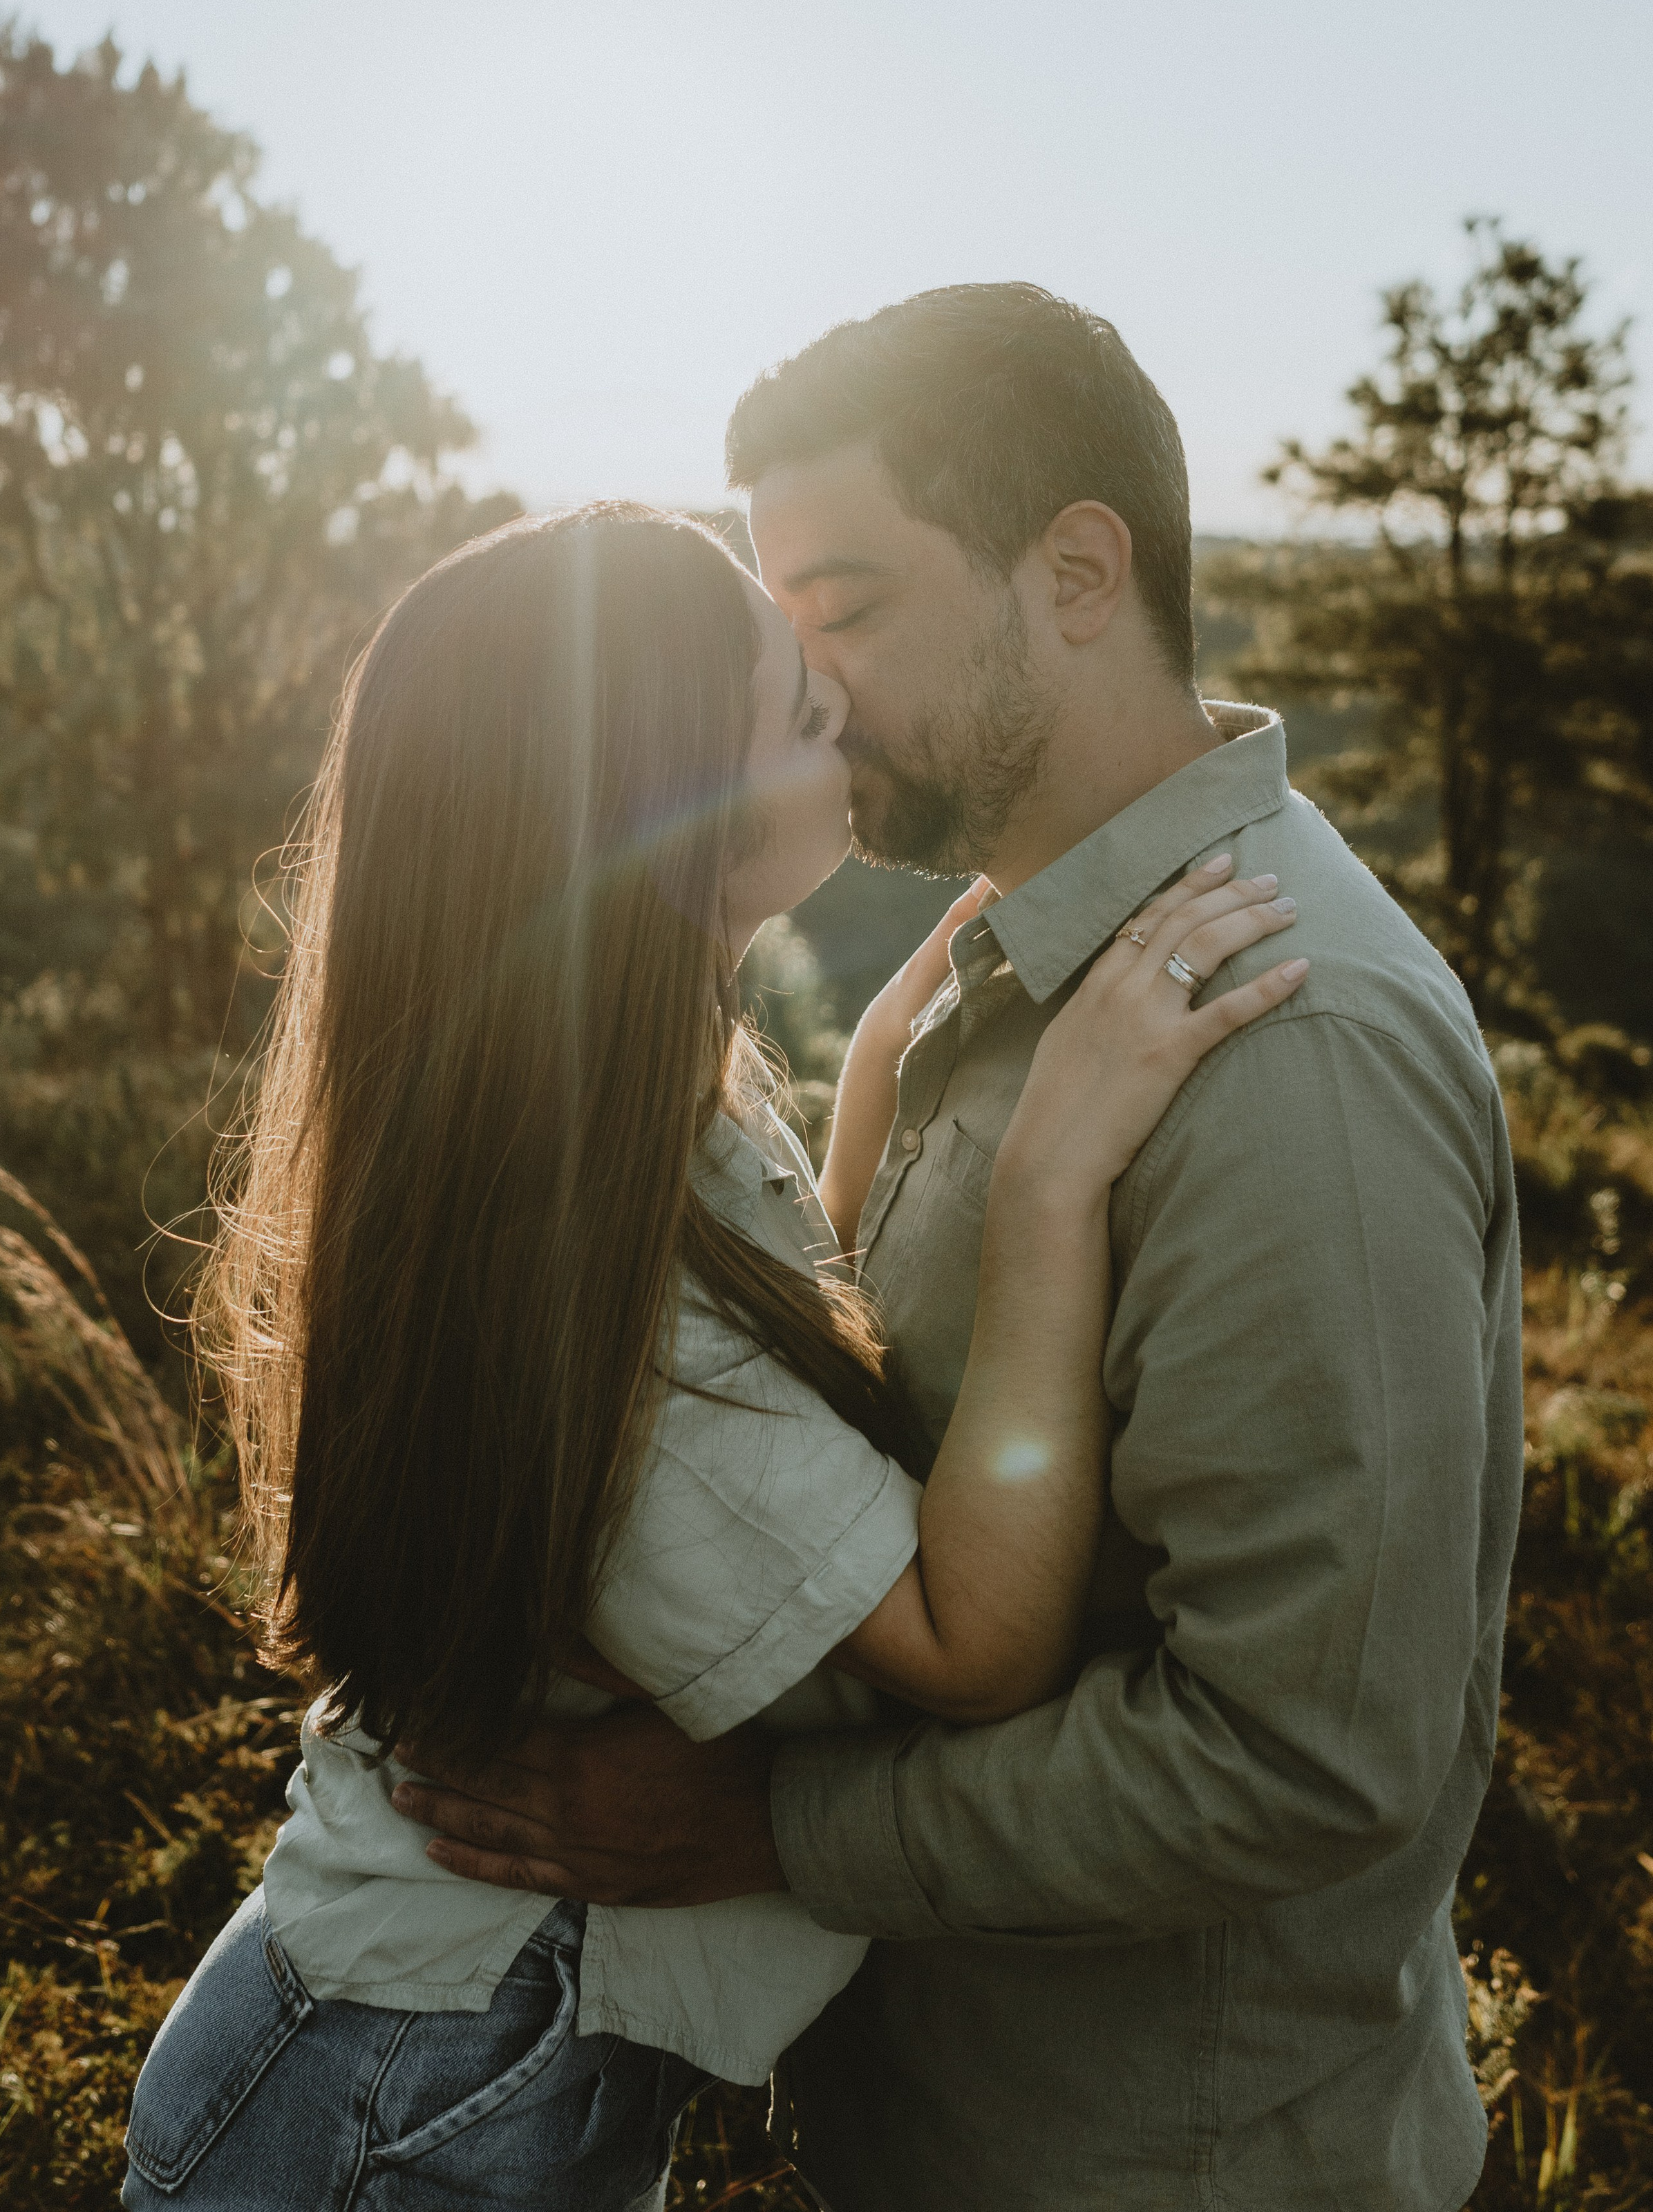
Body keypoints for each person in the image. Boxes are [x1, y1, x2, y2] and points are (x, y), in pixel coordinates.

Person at [398, 289, 1524, 2212]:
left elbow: (1306, 1761)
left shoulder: (1286, 1057)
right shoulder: (1005, 973)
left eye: (847, 608)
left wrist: (772, 1828)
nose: (813, 689)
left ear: (1079, 572)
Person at [120, 502, 1304, 2211]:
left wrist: (896, 1046)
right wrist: (1051, 1180)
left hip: (438, 2051)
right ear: (653, 818)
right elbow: (966, 1648)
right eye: (803, 713)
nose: (846, 705)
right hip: (409, 2098)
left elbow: (756, 1360)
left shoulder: (590, 1116)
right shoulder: (588, 1274)